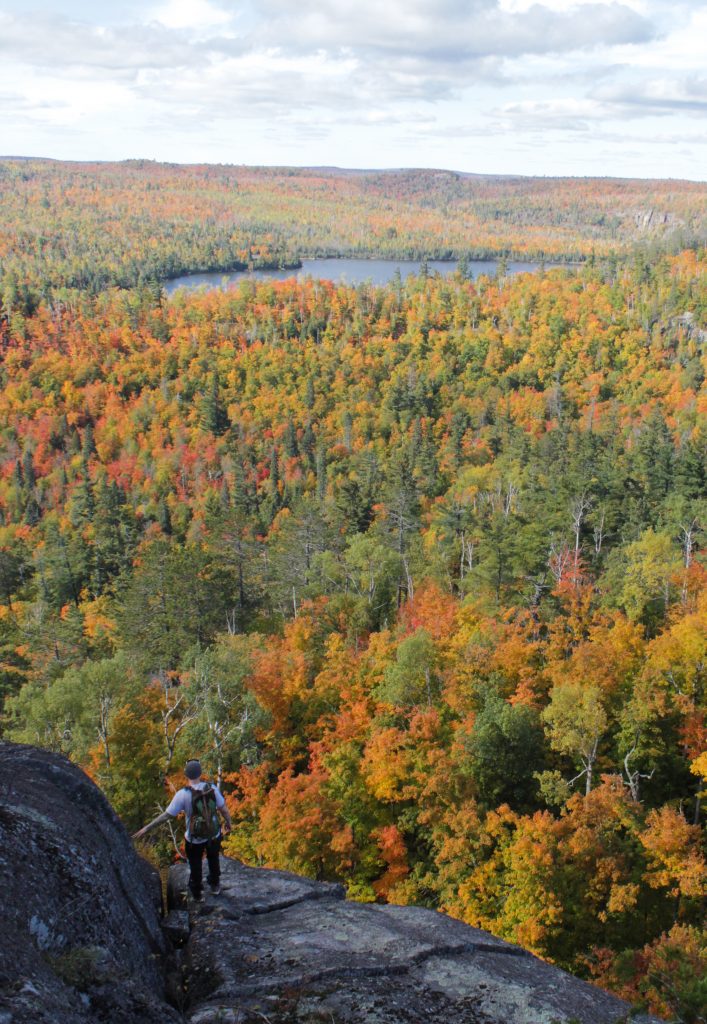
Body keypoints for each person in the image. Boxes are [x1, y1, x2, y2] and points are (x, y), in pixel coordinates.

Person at [133, 758, 232, 902]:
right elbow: (223, 809)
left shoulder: (183, 794)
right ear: (200, 773)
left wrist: (147, 828)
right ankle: (215, 886)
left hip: (193, 839)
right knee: (213, 859)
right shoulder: (212, 788)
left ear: (186, 775)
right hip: (213, 834)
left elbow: (167, 815)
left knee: (195, 864)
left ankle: (198, 894)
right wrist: (228, 822)